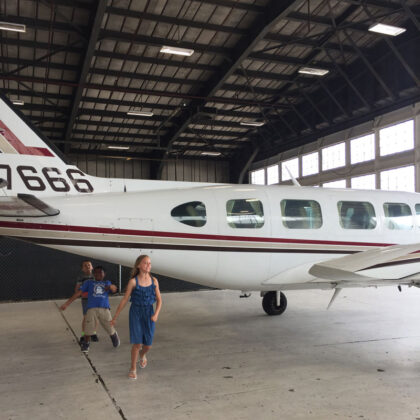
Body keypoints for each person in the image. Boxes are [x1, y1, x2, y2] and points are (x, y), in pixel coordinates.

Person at [111, 255, 162, 380]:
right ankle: (133, 368)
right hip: (136, 313)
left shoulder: (154, 281)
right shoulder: (133, 282)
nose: (148, 265)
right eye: (145, 263)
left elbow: (159, 300)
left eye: (150, 263)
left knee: (148, 345)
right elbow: (124, 300)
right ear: (139, 265)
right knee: (137, 343)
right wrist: (115, 316)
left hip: (149, 313)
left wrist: (156, 314)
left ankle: (142, 355)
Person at [61, 265, 120, 353]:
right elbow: (79, 293)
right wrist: (67, 303)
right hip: (91, 309)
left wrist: (112, 287)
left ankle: (114, 336)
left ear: (104, 274)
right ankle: (86, 343)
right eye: (95, 272)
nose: (98, 274)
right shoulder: (89, 283)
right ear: (93, 274)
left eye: (100, 272)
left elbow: (113, 289)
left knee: (109, 326)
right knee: (88, 327)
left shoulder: (106, 282)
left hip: (104, 309)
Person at [75, 260, 99, 343]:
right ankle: (83, 334)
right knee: (86, 318)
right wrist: (82, 293)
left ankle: (94, 333)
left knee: (95, 317)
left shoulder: (96, 276)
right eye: (85, 265)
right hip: (86, 300)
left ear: (92, 267)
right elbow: (77, 289)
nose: (87, 266)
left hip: (95, 300)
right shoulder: (81, 278)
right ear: (82, 269)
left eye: (89, 265)